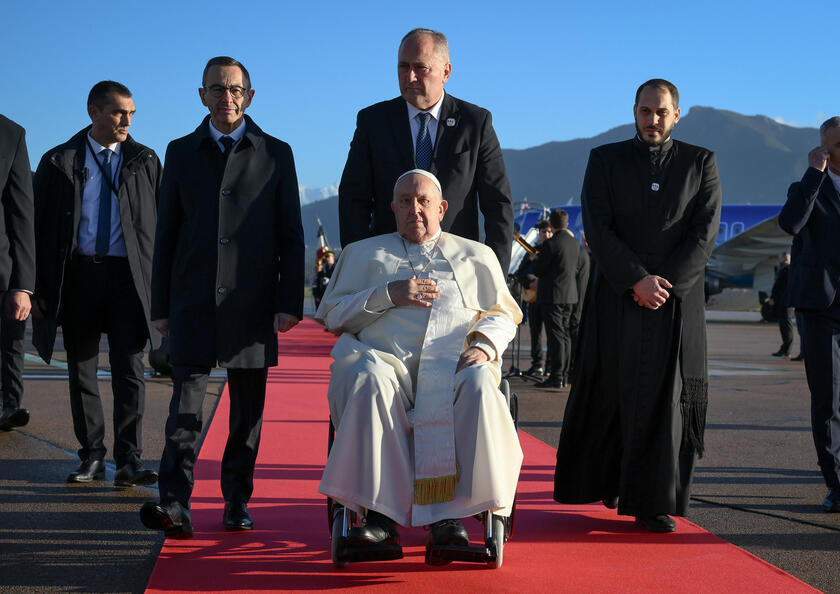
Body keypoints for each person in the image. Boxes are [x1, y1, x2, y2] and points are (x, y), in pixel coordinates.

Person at [140, 56, 305, 537]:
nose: (226, 97)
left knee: (246, 413)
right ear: (201, 95)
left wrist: (289, 300)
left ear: (249, 97)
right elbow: (165, 233)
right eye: (216, 88)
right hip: (192, 301)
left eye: (235, 89)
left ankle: (236, 500)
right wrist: (161, 307)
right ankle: (174, 503)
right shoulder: (180, 152)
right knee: (183, 411)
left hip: (252, 303)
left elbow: (291, 234)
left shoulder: (276, 153)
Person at [315, 169, 522, 551]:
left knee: (479, 385)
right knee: (368, 378)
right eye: (406, 202)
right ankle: (379, 518)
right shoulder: (363, 253)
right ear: (393, 209)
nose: (415, 209)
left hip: (454, 369)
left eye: (423, 201)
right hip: (385, 365)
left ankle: (451, 518)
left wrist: (484, 345)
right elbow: (333, 316)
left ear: (441, 207)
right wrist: (387, 294)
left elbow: (503, 313)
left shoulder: (477, 256)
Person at [553, 79, 722, 533]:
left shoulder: (700, 162)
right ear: (634, 111)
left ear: (677, 114)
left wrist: (662, 286)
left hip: (675, 304)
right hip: (616, 297)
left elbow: (704, 234)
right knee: (610, 393)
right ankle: (607, 481)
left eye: (661, 112)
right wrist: (635, 280)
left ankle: (652, 503)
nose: (652, 120)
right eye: (645, 111)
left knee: (665, 403)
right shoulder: (604, 160)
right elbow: (598, 227)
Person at [32, 82, 161, 486]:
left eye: (132, 114)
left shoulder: (145, 160)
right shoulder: (58, 161)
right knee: (82, 368)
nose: (127, 121)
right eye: (118, 112)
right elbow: (38, 226)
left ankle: (129, 460)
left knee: (129, 369)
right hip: (79, 276)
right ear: (93, 112)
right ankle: (90, 456)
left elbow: (164, 225)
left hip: (128, 279)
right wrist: (35, 285)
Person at [338, 28, 514, 272]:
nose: (410, 77)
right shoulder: (373, 122)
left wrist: (494, 276)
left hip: (458, 272)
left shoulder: (475, 123)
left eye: (420, 68)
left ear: (446, 72)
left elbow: (498, 206)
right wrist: (360, 268)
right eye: (403, 67)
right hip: (389, 273)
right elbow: (353, 201)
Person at [778, 115, 840, 513]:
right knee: (829, 399)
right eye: (834, 146)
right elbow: (791, 223)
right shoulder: (807, 188)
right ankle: (836, 482)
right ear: (823, 149)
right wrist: (813, 175)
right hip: (820, 307)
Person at [0, 115, 36, 431]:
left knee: (10, 338)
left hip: (2, 271)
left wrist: (23, 284)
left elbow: (21, 213)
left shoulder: (10, 134)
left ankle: (8, 406)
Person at [532, 210, 580, 389]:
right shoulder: (575, 244)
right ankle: (565, 373)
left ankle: (557, 375)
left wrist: (534, 260)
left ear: (551, 225)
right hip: (570, 295)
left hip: (553, 296)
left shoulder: (550, 245)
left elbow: (538, 269)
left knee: (556, 338)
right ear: (566, 224)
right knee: (565, 336)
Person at [515, 219, 552, 377]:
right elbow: (519, 273)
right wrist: (530, 282)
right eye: (544, 232)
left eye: (549, 231)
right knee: (535, 332)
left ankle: (550, 365)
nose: (547, 234)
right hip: (534, 298)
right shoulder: (532, 251)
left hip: (550, 298)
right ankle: (537, 365)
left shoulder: (555, 250)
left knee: (552, 334)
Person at [767, 251, 794, 358]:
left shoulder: (787, 270)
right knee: (783, 327)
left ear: (786, 258)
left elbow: (783, 288)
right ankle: (784, 348)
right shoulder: (783, 269)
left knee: (787, 327)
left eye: (781, 257)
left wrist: (775, 298)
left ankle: (787, 350)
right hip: (781, 302)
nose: (779, 259)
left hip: (785, 303)